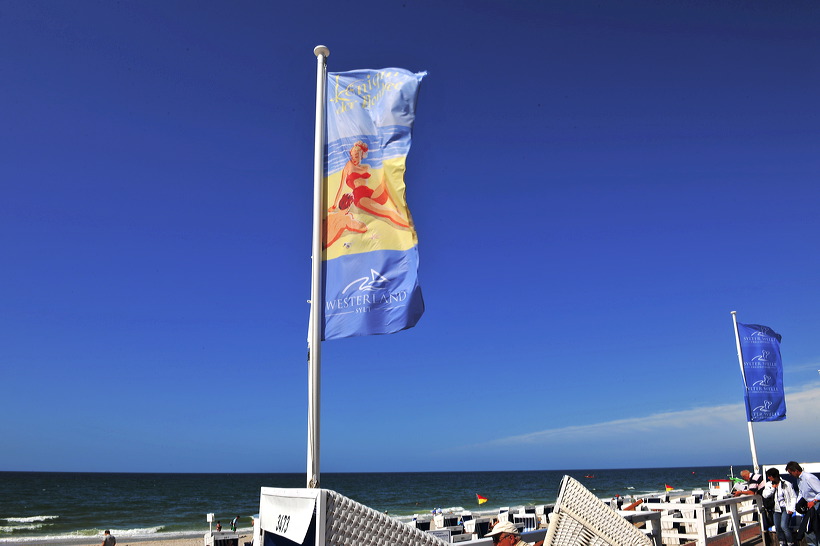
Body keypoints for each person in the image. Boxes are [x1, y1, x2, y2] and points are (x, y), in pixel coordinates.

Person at [328, 141, 410, 229]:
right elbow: (341, 187)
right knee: (388, 213)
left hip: (372, 194)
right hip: (361, 198)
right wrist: (334, 205)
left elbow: (381, 183)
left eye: (357, 155)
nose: (354, 157)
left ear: (362, 155)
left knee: (386, 180)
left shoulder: (366, 167)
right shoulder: (348, 166)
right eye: (353, 154)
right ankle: (407, 226)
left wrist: (395, 204)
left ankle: (396, 205)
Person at [786, 461, 820, 546]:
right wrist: (797, 505)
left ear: (796, 471)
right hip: (809, 505)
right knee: (809, 528)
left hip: (817, 504)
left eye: (790, 473)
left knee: (815, 528)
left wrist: (814, 501)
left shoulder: (809, 478)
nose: (790, 475)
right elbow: (801, 493)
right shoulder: (799, 480)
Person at [763, 467, 797, 546]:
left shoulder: (786, 484)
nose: (768, 478)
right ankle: (782, 543)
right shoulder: (769, 485)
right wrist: (772, 489)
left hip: (786, 507)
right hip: (776, 508)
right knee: (778, 527)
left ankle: (790, 543)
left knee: (784, 526)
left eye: (769, 476)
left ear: (774, 476)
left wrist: (791, 508)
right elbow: (765, 495)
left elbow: (793, 496)